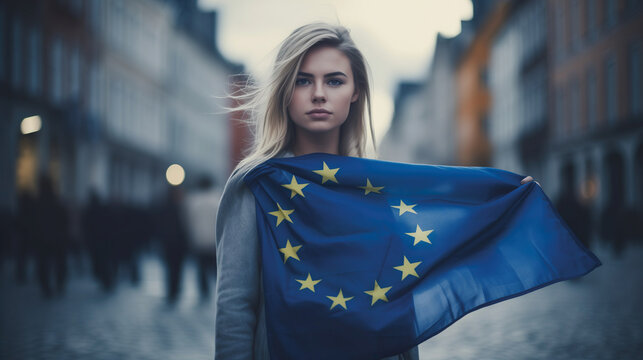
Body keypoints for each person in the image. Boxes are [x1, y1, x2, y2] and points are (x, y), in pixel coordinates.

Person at [214, 22, 536, 359]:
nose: (319, 93)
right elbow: (235, 307)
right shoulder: (256, 184)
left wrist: (507, 203)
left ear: (355, 91)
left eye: (334, 80)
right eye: (302, 80)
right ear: (284, 91)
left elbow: (397, 303)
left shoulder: (374, 190)